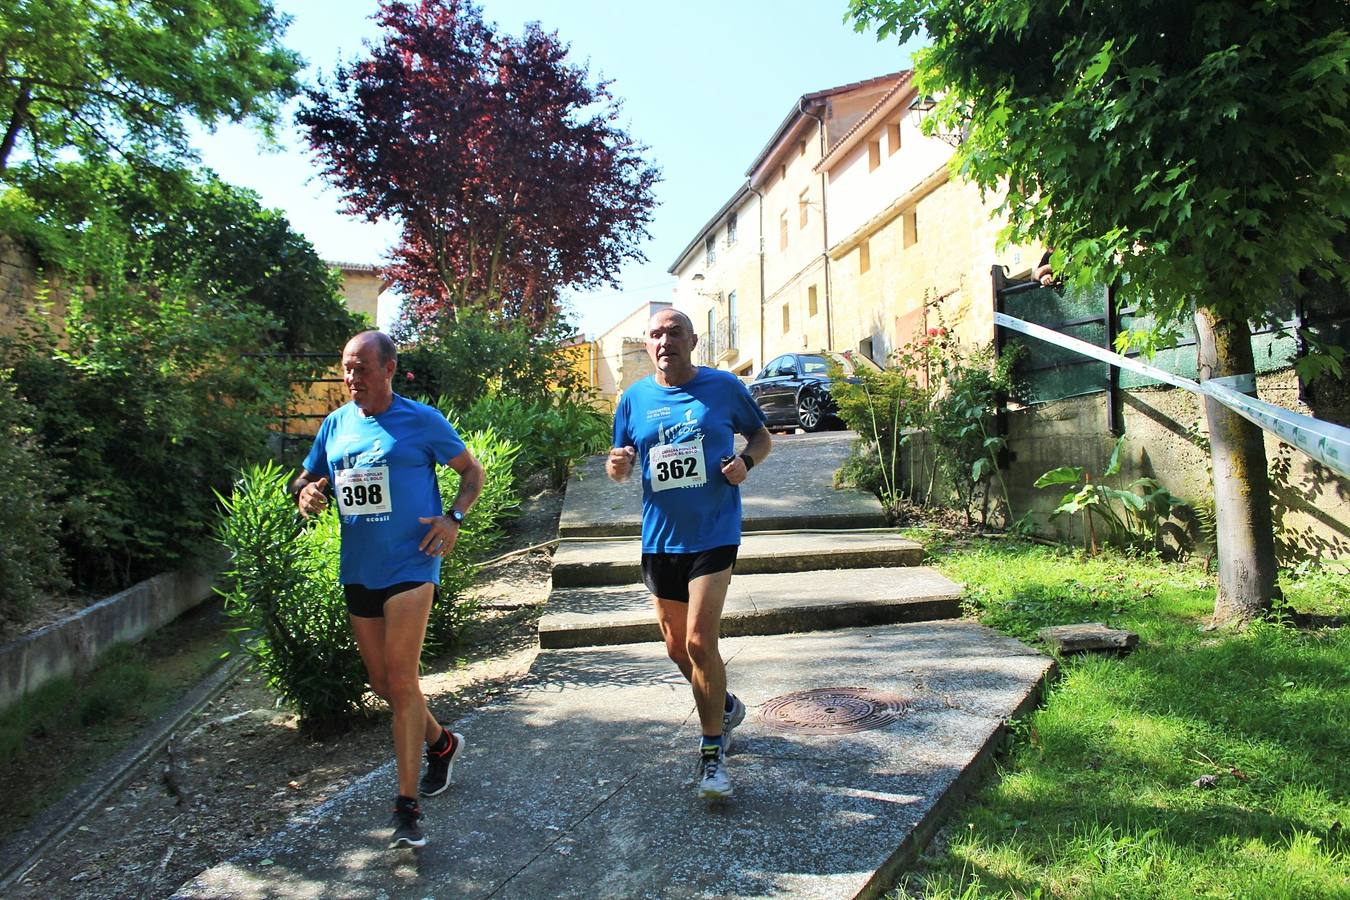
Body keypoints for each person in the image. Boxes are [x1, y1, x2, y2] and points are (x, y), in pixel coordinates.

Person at [291, 330, 484, 850]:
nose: (352, 377)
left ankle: (406, 811)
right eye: (347, 368)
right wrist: (306, 491)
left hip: (412, 565)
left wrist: (453, 518)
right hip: (359, 569)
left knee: (402, 679)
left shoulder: (420, 421)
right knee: (381, 683)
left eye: (362, 368)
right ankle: (442, 744)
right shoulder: (335, 424)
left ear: (390, 368)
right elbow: (305, 479)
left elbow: (471, 473)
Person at [606, 308, 772, 801]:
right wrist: (617, 466)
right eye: (655, 334)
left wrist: (745, 463)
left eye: (674, 333)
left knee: (700, 642)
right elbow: (620, 465)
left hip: (713, 532)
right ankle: (724, 705)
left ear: (692, 340)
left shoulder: (723, 387)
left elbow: (761, 438)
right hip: (660, 538)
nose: (664, 341)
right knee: (677, 648)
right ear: (647, 345)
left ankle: (711, 753)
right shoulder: (633, 400)